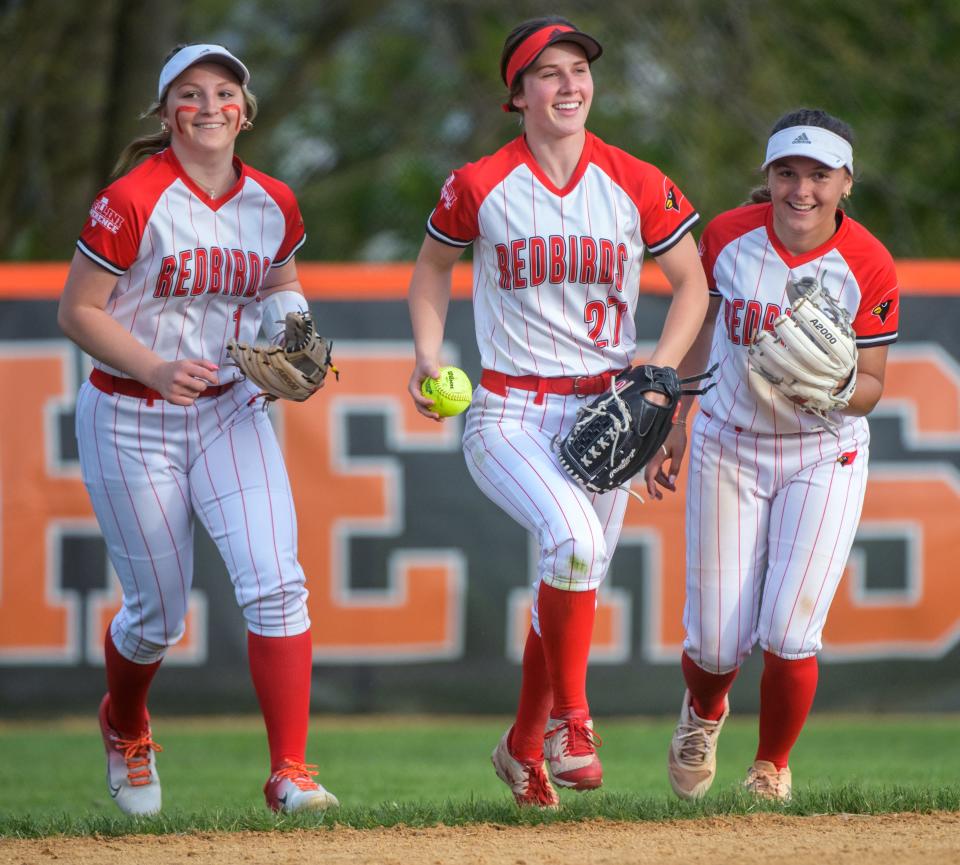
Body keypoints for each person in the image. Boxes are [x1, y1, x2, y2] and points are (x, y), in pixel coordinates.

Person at [407, 17, 709, 807]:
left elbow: (694, 284)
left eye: (578, 69)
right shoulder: (481, 182)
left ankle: (518, 746)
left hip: (608, 415)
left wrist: (662, 379)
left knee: (570, 574)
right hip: (509, 411)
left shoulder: (635, 180)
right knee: (572, 543)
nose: (569, 83)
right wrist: (428, 355)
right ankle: (572, 722)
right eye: (548, 72)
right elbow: (432, 269)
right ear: (518, 94)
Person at [57, 43, 339, 816]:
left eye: (224, 92)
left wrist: (296, 338)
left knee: (277, 584)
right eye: (190, 93)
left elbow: (280, 281)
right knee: (157, 614)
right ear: (165, 113)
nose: (209, 106)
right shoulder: (133, 197)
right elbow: (76, 310)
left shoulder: (272, 201)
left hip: (228, 408)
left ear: (245, 112)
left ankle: (290, 770)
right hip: (129, 412)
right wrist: (150, 366)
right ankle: (125, 722)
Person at [647, 108, 900, 801]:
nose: (802, 190)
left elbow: (873, 385)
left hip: (823, 452)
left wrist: (837, 383)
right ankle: (702, 713)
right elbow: (697, 327)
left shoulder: (869, 262)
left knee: (791, 627)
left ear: (847, 181)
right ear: (768, 176)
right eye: (787, 172)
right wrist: (677, 413)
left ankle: (770, 765)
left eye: (820, 174)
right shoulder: (728, 237)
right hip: (729, 444)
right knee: (717, 642)